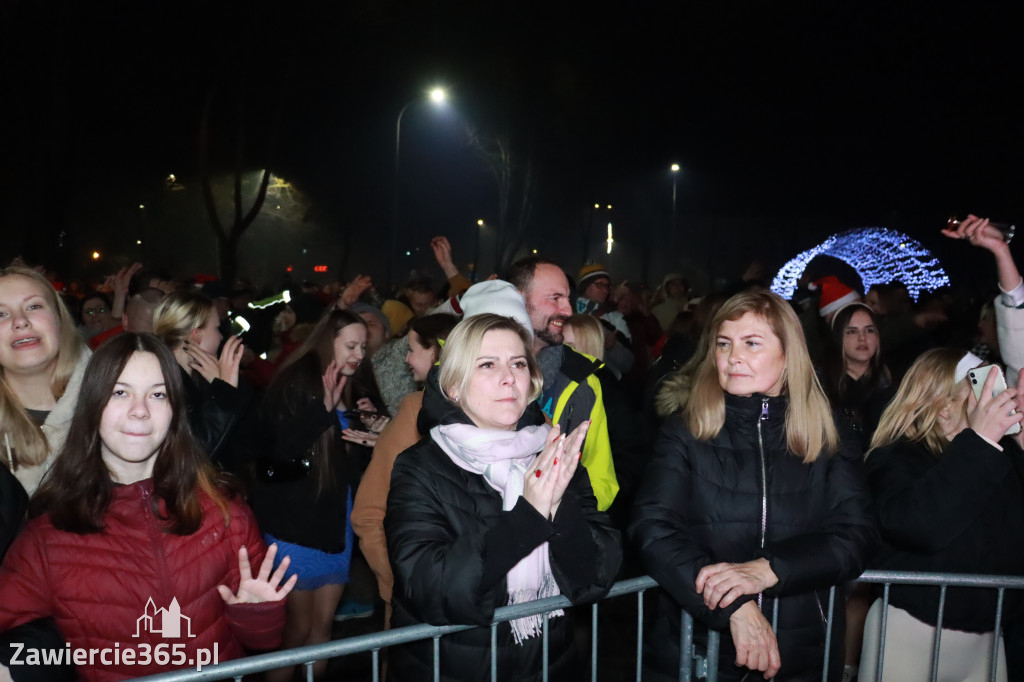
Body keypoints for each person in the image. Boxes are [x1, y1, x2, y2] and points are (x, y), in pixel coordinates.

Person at [0, 333, 292, 681]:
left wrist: (258, 615)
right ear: (93, 406)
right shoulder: (49, 534)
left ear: (174, 412)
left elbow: (263, 642)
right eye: (120, 392)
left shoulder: (224, 509)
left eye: (157, 394)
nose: (139, 410)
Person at [631, 289, 877, 681]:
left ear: (788, 354)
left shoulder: (828, 433)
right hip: (699, 648)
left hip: (800, 648)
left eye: (751, 343)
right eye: (724, 344)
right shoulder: (686, 430)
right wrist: (735, 605)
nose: (733, 357)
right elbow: (654, 529)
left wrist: (768, 570)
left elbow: (855, 536)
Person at [385, 313, 621, 681]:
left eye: (518, 363)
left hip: (550, 663)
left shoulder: (552, 453)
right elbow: (432, 589)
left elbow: (597, 573)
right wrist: (529, 515)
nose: (508, 377)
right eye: (487, 365)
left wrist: (559, 505)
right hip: (453, 668)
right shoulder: (420, 467)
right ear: (454, 386)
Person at [859, 349, 1024, 682]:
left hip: (986, 639)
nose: (995, 402)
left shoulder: (999, 459)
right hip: (913, 631)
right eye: (981, 391)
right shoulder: (895, 457)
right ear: (944, 405)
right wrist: (980, 441)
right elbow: (921, 526)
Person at [251, 309, 372, 681]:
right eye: (351, 345)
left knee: (323, 633)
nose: (359, 354)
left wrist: (365, 435)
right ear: (327, 341)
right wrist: (322, 415)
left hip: (336, 523)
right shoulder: (299, 380)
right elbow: (273, 464)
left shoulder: (346, 381)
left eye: (363, 346)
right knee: (296, 634)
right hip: (297, 528)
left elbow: (339, 465)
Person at [0, 266, 90, 494]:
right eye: (1, 314)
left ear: (60, 319)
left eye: (34, 306)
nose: (20, 321)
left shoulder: (117, 398)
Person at [152, 290, 248, 469]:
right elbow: (197, 455)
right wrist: (225, 390)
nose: (221, 336)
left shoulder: (198, 377)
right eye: (217, 328)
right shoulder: (165, 384)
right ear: (196, 335)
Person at [821, 302, 894, 448]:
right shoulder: (823, 388)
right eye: (852, 331)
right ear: (838, 337)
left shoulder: (892, 386)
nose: (862, 338)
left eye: (870, 330)